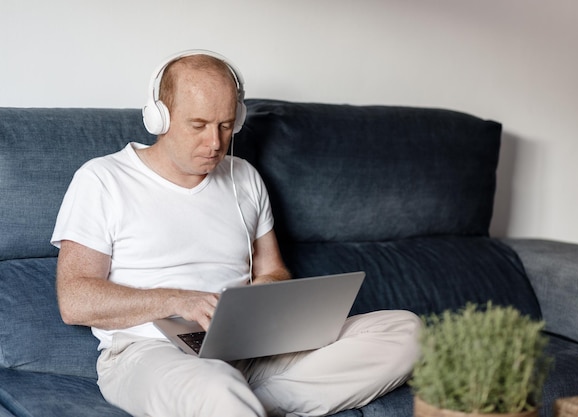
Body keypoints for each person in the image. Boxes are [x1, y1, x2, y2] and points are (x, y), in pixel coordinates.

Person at [51, 49, 421, 417]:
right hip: (149, 351)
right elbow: (75, 300)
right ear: (159, 117)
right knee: (214, 387)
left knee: (406, 331)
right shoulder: (102, 180)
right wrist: (179, 300)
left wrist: (265, 292)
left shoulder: (244, 177)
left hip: (249, 345)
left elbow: (273, 269)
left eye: (226, 125)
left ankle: (250, 402)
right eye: (198, 125)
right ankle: (234, 399)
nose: (215, 143)